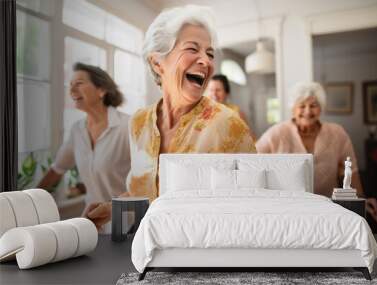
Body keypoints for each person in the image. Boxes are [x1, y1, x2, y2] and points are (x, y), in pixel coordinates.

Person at [85, 5, 256, 229]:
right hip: (144, 252)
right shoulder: (138, 123)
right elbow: (143, 192)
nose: (206, 61)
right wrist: (112, 207)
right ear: (157, 62)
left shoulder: (228, 125)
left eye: (210, 53)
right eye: (193, 49)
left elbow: (252, 204)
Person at [256, 81, 377, 222]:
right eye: (302, 106)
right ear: (293, 109)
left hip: (329, 210)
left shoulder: (337, 133)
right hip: (287, 211)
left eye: (313, 105)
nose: (308, 111)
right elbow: (252, 162)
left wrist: (361, 200)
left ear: (321, 108)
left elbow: (350, 170)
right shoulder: (277, 133)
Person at [38, 62, 131, 218]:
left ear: (101, 90)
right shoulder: (77, 130)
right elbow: (57, 169)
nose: (72, 90)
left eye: (79, 84)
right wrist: (27, 199)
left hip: (126, 222)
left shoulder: (127, 126)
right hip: (91, 221)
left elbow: (146, 179)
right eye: (71, 85)